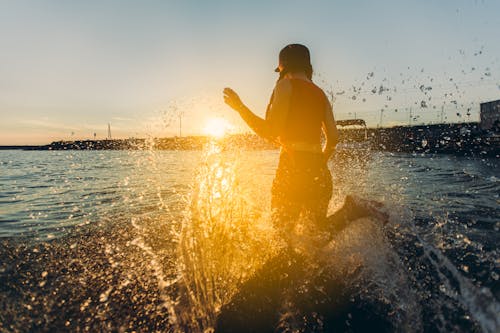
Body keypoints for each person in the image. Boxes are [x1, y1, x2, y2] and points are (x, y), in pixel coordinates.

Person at [223, 43, 338, 233]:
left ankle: (351, 210)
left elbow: (270, 132)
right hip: (320, 171)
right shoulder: (321, 93)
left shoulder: (286, 85)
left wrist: (240, 107)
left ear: (283, 66)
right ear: (307, 66)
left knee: (282, 235)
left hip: (292, 168)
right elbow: (333, 138)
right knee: (316, 235)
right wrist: (319, 162)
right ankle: (351, 211)